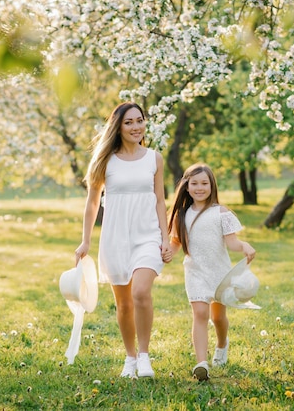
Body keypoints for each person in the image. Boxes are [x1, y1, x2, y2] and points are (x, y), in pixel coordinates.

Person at [74, 102, 172, 378]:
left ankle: (144, 356)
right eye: (129, 122)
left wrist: (165, 238)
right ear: (118, 126)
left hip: (147, 235)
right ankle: (129, 358)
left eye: (139, 120)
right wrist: (85, 242)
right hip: (115, 238)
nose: (135, 127)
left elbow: (160, 200)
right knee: (124, 304)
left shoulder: (155, 158)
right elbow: (92, 203)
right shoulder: (105, 160)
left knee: (140, 292)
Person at [167, 163, 255, 381]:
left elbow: (232, 243)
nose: (199, 188)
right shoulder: (181, 214)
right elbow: (177, 242)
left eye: (204, 183)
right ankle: (201, 363)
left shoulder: (221, 212)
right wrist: (169, 252)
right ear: (186, 187)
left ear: (211, 185)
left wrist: (244, 246)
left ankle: (222, 344)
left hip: (219, 273)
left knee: (218, 317)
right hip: (195, 272)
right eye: (194, 183)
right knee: (200, 314)